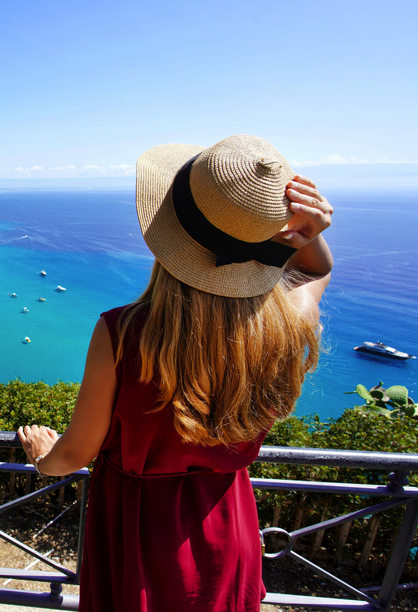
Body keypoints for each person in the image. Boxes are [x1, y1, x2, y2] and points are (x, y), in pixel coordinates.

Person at [17, 134, 333, 611]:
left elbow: (76, 454)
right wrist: (308, 233)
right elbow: (313, 273)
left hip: (137, 529)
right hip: (226, 521)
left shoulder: (122, 333)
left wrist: (43, 458)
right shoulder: (288, 326)